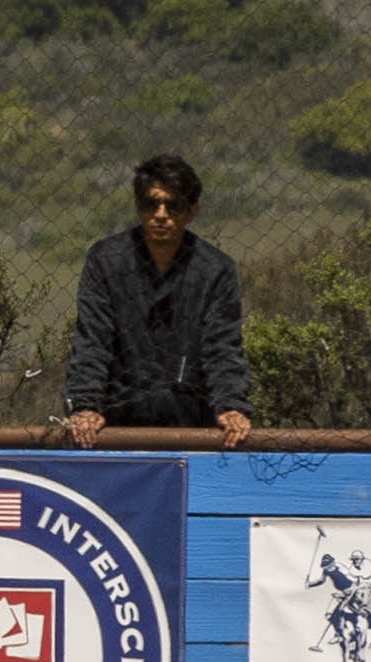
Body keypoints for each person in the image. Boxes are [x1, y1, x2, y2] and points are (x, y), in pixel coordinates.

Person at [63, 152, 252, 448]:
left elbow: (223, 346)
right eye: (152, 204)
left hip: (191, 421)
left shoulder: (215, 270)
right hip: (117, 420)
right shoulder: (106, 261)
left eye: (173, 206)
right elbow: (93, 339)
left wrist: (230, 406)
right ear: (138, 207)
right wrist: (85, 405)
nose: (161, 215)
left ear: (191, 212)